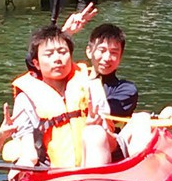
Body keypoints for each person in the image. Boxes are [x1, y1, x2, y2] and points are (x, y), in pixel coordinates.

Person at [9, 25, 114, 168]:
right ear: (36, 64)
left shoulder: (90, 85)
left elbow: (109, 139)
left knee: (95, 133)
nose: (57, 59)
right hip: (51, 171)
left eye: (62, 52)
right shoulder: (25, 99)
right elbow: (28, 150)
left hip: (93, 160)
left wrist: (95, 125)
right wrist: (24, 163)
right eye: (49, 54)